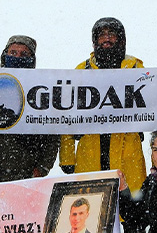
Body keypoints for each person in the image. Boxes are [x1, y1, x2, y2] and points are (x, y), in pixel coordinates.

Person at [59, 18, 147, 192]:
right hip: (90, 151)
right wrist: (67, 157)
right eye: (102, 35)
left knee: (130, 209)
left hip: (126, 150)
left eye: (112, 34)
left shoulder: (137, 69)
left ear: (121, 39)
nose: (106, 39)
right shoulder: (81, 71)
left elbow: (156, 108)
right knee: (90, 207)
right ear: (94, 41)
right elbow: (67, 115)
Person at [0, 36, 60, 184]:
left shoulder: (42, 89)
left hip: (22, 174)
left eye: (24, 54)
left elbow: (52, 132)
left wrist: (43, 167)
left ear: (32, 58)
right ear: (5, 54)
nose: (17, 57)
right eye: (13, 52)